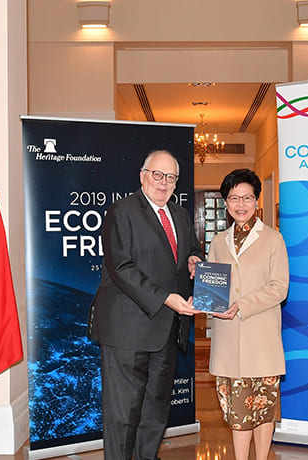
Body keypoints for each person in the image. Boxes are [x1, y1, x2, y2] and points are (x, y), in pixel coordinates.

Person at [87, 150, 203, 460]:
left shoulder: (179, 214)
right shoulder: (121, 212)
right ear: (143, 176)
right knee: (124, 413)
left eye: (171, 178)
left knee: (155, 409)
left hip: (166, 329)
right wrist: (166, 298)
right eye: (157, 175)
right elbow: (122, 267)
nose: (164, 183)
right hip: (128, 329)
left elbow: (190, 249)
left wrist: (194, 260)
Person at [206, 168, 290, 460]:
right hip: (228, 340)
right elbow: (213, 288)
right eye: (233, 198)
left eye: (247, 197)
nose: (240, 204)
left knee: (263, 411)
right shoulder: (218, 242)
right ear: (226, 203)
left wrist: (243, 304)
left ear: (257, 201)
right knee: (237, 411)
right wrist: (205, 297)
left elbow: (279, 288)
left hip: (261, 338)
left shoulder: (273, 240)